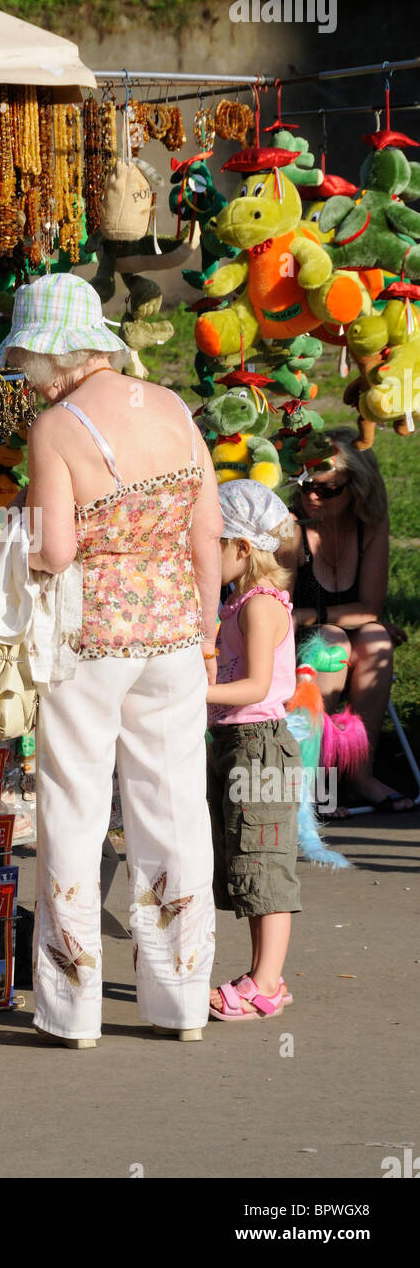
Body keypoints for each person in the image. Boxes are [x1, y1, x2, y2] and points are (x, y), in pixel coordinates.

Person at [0, 271, 224, 1046]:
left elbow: (55, 548)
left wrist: (15, 555)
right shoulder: (170, 408)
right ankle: (181, 999)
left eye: (25, 357)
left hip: (88, 638)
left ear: (51, 353)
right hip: (171, 633)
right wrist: (205, 628)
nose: (23, 373)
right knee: (173, 810)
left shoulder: (57, 428)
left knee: (73, 809)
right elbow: (205, 535)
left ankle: (71, 1008)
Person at [206, 482, 302, 1021]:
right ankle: (264, 974)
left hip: (259, 748)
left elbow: (258, 687)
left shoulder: (260, 606)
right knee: (247, 860)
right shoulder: (238, 602)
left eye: (212, 541)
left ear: (242, 548)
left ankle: (265, 984)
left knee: (264, 863)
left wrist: (193, 694)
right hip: (234, 745)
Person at [283, 428, 413, 814]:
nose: (312, 497)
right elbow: (281, 608)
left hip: (324, 626)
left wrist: (313, 615)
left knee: (374, 638)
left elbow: (369, 609)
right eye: (306, 485)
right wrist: (321, 619)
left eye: (328, 489)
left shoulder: (369, 525)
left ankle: (358, 772)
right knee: (332, 640)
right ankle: (315, 777)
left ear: (358, 488)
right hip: (296, 641)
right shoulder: (292, 526)